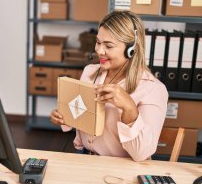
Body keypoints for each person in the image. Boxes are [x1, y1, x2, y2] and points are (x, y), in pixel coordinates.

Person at [50, 11, 168, 161]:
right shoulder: (90, 72)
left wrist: (129, 108)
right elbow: (82, 117)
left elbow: (141, 154)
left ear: (132, 49)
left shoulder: (153, 89)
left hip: (122, 167)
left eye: (108, 46)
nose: (99, 51)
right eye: (98, 42)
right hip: (84, 157)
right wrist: (64, 116)